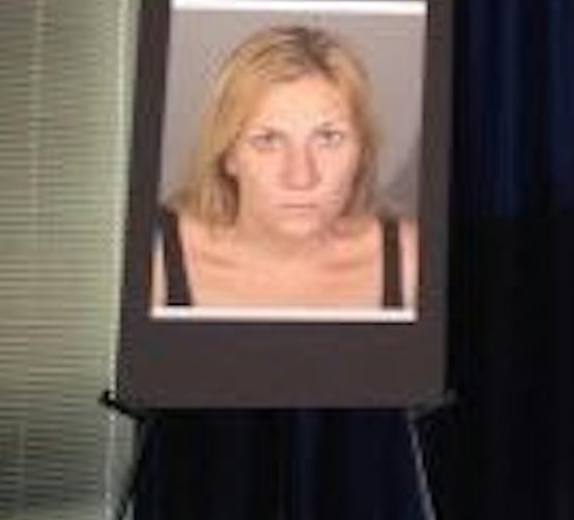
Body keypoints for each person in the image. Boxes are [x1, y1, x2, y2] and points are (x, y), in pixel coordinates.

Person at [154, 24, 419, 312]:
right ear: (228, 154)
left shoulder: (410, 260)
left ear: (362, 153)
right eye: (268, 140)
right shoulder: (153, 259)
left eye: (329, 138)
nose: (301, 178)